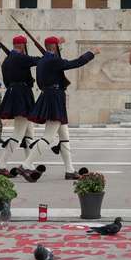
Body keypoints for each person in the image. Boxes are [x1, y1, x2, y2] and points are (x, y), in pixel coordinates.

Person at [26, 35, 98, 181]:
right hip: (54, 98)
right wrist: (92, 53)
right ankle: (26, 164)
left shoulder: (43, 60)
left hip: (52, 95)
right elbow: (75, 63)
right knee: (48, 136)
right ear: (54, 48)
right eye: (58, 46)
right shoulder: (52, 60)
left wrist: (60, 44)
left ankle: (69, 170)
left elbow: (52, 67)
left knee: (64, 138)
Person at [0, 37, 42, 174]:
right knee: (18, 132)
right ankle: (1, 165)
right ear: (22, 45)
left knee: (28, 132)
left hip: (13, 93)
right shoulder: (20, 58)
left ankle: (29, 164)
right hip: (22, 95)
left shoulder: (6, 61)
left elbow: (6, 82)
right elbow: (39, 60)